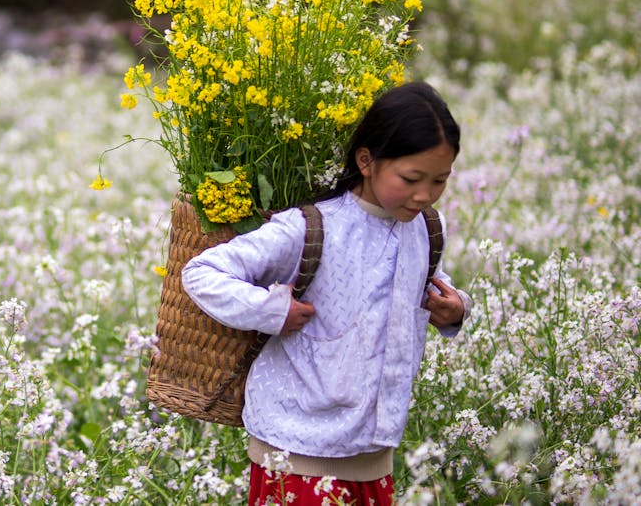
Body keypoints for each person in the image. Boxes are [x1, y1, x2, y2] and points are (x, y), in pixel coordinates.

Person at [181, 81, 473, 505]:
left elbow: (434, 283)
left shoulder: (427, 229)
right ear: (366, 161)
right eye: (411, 178)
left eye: (439, 181)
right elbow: (202, 271)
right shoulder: (312, 227)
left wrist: (456, 308)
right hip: (294, 451)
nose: (425, 194)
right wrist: (270, 311)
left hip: (373, 453)